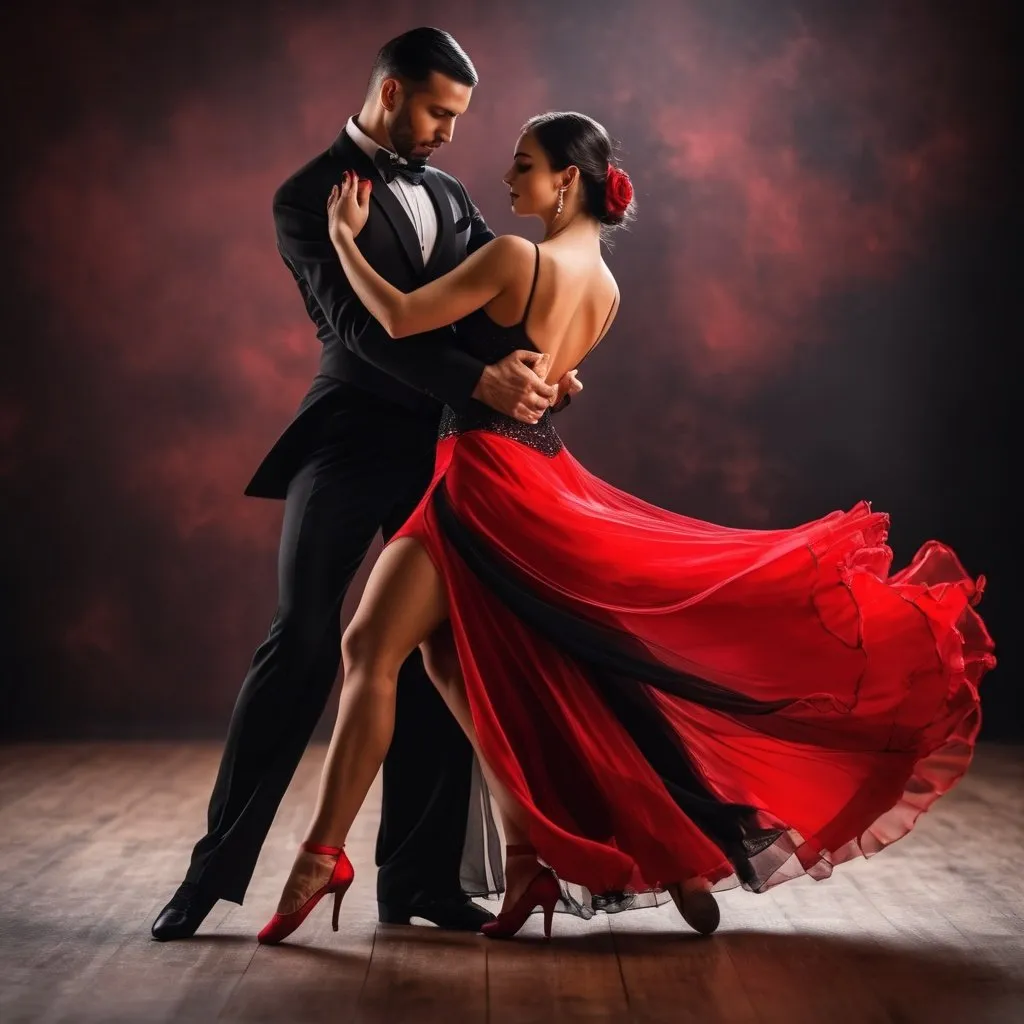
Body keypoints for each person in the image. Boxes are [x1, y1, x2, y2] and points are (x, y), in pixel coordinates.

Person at [256, 111, 996, 945]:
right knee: (452, 667)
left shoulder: (512, 257)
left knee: (370, 651)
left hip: (481, 476)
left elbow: (394, 321)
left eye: (524, 165)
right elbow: (554, 382)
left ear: (567, 181)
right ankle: (531, 857)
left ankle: (322, 856)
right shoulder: (607, 291)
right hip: (534, 469)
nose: (508, 180)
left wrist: (348, 239)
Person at [151, 28, 585, 942]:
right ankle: (211, 876)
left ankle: (420, 882)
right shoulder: (305, 197)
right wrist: (479, 380)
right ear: (390, 92)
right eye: (438, 112)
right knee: (304, 637)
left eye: (459, 117)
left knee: (438, 656)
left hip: (445, 448)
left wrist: (536, 368)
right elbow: (356, 328)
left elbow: (482, 315)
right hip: (347, 440)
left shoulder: (452, 194)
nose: (450, 134)